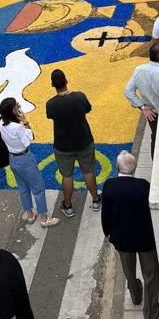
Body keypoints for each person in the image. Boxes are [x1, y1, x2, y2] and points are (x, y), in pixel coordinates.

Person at [101, 151, 159, 319]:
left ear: (118, 167)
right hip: (146, 238)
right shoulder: (144, 187)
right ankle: (150, 314)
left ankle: (135, 295)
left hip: (122, 239)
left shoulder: (109, 186)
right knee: (151, 274)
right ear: (134, 169)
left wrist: (109, 234)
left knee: (129, 270)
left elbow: (106, 215)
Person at [46, 69, 101, 217]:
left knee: (67, 176)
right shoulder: (79, 97)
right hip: (84, 141)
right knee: (88, 171)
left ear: (52, 84)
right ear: (66, 81)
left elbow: (50, 116)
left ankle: (68, 206)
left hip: (63, 146)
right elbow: (88, 109)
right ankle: (96, 200)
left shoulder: (51, 104)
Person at [0, 97, 58, 227]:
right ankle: (43, 218)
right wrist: (25, 121)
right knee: (38, 188)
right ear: (13, 111)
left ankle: (30, 215)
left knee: (23, 187)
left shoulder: (1, 123)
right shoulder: (17, 128)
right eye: (17, 106)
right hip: (24, 159)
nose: (19, 107)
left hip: (12, 158)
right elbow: (29, 139)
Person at [124, 43, 159, 157]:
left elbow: (128, 91)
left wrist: (142, 107)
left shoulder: (139, 70)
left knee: (155, 138)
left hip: (152, 114)